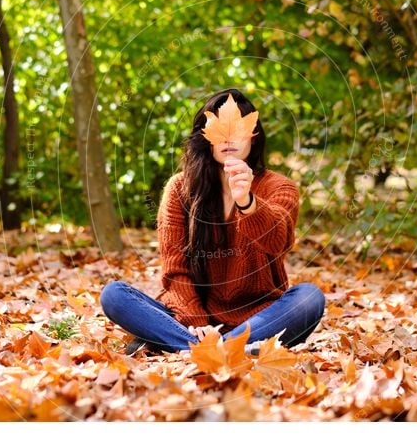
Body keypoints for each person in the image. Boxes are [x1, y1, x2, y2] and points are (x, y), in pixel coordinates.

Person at [99, 88, 326, 355]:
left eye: (239, 130)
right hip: (193, 321)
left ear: (254, 136)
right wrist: (196, 321)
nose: (229, 138)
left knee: (309, 297)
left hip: (259, 319)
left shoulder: (280, 187)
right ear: (206, 137)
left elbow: (279, 241)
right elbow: (175, 269)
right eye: (219, 129)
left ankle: (189, 346)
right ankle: (227, 350)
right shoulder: (180, 189)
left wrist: (248, 203)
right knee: (115, 295)